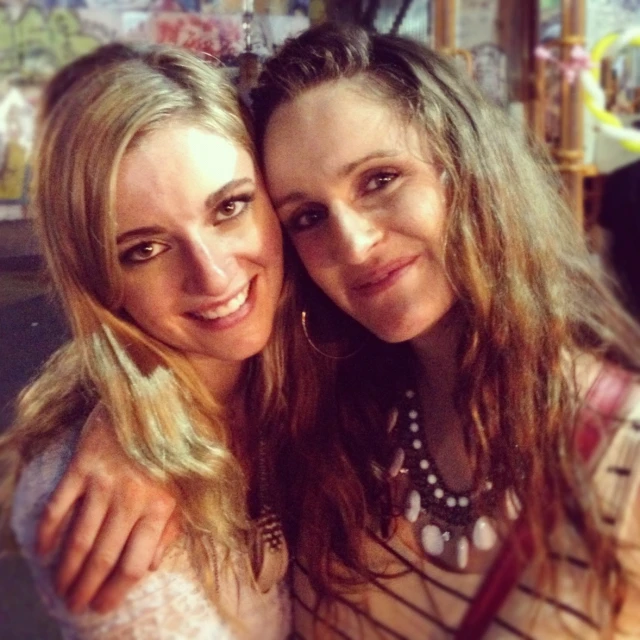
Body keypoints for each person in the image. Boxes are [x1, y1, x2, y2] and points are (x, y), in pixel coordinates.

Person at [26, 23, 640, 638]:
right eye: (308, 215)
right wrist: (138, 424)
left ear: (465, 166)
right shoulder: (341, 401)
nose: (354, 244)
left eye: (380, 179)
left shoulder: (623, 449)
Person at [0, 42, 291, 639]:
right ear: (99, 283)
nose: (213, 275)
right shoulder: (102, 515)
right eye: (145, 249)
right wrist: (147, 432)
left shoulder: (318, 355)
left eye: (230, 207)